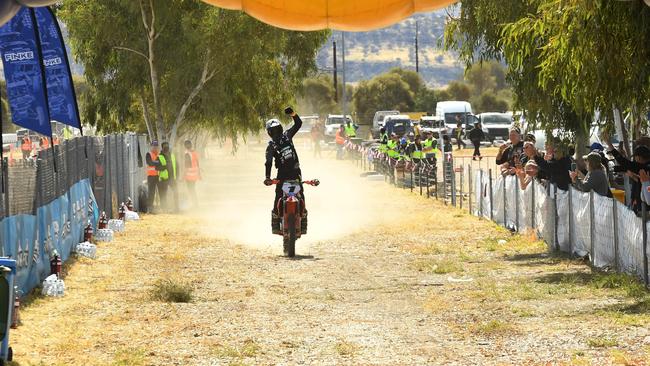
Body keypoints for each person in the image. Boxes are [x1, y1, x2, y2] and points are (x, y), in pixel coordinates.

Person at [263, 107, 305, 235]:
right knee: (278, 198)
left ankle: (303, 220)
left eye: (277, 130)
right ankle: (275, 224)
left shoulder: (287, 136)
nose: (276, 132)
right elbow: (268, 162)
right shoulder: (271, 146)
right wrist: (267, 177)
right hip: (284, 175)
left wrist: (293, 114)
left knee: (300, 195)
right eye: (273, 130)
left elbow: (298, 124)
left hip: (294, 173)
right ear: (270, 132)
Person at [157, 141, 178, 211]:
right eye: (165, 146)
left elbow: (177, 166)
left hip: (172, 178)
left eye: (167, 146)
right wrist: (164, 167)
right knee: (163, 194)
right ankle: (164, 208)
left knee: (176, 192)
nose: (166, 147)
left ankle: (176, 207)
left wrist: (177, 176)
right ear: (162, 148)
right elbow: (156, 168)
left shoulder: (172, 155)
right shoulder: (159, 156)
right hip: (164, 179)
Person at [183, 140, 201, 208]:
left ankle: (194, 205)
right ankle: (195, 204)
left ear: (185, 146)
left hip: (189, 176)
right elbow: (197, 163)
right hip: (195, 175)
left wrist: (183, 176)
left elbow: (187, 166)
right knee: (193, 190)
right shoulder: (194, 152)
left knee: (191, 190)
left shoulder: (187, 153)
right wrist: (199, 174)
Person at [145, 141, 160, 212]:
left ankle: (159, 207)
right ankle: (150, 208)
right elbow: (150, 163)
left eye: (156, 146)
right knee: (151, 192)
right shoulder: (149, 154)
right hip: (151, 176)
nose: (155, 147)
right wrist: (158, 163)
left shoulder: (159, 155)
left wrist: (157, 163)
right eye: (154, 146)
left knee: (160, 192)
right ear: (151, 146)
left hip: (158, 176)